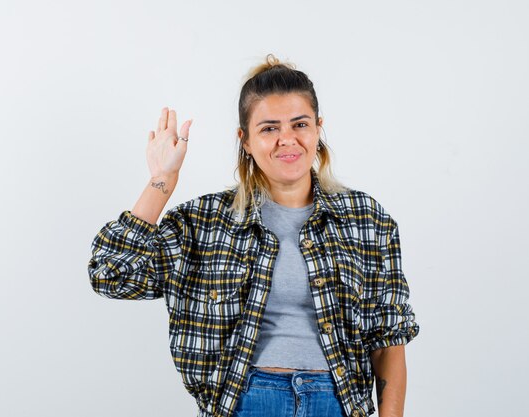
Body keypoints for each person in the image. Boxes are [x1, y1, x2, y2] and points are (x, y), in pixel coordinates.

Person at [87, 54, 419, 417]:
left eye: (300, 124)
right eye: (269, 128)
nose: (287, 140)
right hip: (248, 401)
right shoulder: (205, 222)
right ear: (244, 140)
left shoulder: (365, 219)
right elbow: (110, 275)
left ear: (318, 129)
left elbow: (388, 342)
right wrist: (162, 180)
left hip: (335, 401)